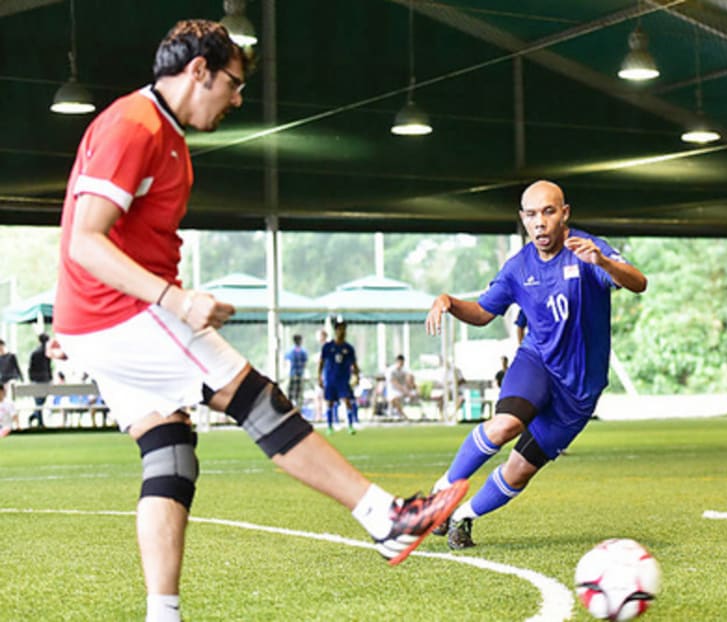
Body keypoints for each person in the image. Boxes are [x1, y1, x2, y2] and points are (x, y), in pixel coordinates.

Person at [50, 20, 466, 622]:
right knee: (256, 398)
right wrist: (175, 300)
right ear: (198, 71)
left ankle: (161, 615)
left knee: (170, 453)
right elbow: (84, 243)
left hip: (99, 320)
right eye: (232, 83)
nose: (238, 98)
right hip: (122, 312)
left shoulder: (158, 132)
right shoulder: (132, 126)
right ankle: (385, 518)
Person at [425, 180, 647, 550]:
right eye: (531, 214)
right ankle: (440, 494)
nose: (540, 222)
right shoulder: (517, 268)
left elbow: (639, 282)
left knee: (520, 470)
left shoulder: (588, 250)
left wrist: (603, 262)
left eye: (548, 211)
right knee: (506, 424)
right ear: (522, 219)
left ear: (565, 214)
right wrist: (449, 301)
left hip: (580, 390)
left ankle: (463, 517)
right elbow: (482, 313)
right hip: (537, 362)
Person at [318, 320, 360, 434]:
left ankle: (350, 426)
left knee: (347, 401)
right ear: (335, 331)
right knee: (330, 402)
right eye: (339, 329)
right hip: (330, 379)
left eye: (344, 329)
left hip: (343, 380)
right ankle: (329, 426)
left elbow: (354, 364)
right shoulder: (327, 347)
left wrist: (357, 376)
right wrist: (319, 377)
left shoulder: (349, 348)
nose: (342, 332)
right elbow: (321, 362)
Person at [27, 333, 53, 427]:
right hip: (45, 379)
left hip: (37, 379)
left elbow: (30, 368)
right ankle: (38, 419)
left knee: (39, 401)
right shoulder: (47, 353)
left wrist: (31, 378)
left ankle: (36, 417)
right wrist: (50, 378)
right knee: (40, 401)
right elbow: (48, 367)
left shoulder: (35, 353)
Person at [385, 354, 417, 419]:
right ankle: (403, 415)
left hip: (404, 390)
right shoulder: (391, 370)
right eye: (399, 362)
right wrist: (406, 392)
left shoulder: (405, 370)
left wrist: (411, 386)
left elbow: (411, 378)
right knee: (394, 399)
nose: (401, 364)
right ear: (396, 361)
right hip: (393, 390)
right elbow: (395, 383)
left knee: (415, 394)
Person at [284, 334, 308, 408]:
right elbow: (305, 363)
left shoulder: (290, 351)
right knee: (299, 393)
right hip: (300, 374)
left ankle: (289, 407)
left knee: (290, 393)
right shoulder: (303, 351)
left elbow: (286, 361)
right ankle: (298, 408)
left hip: (292, 374)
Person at [312, 328, 328, 422]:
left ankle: (322, 416)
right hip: (322, 375)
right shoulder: (323, 347)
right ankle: (319, 416)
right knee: (318, 396)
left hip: (325, 376)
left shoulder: (326, 347)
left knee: (321, 396)